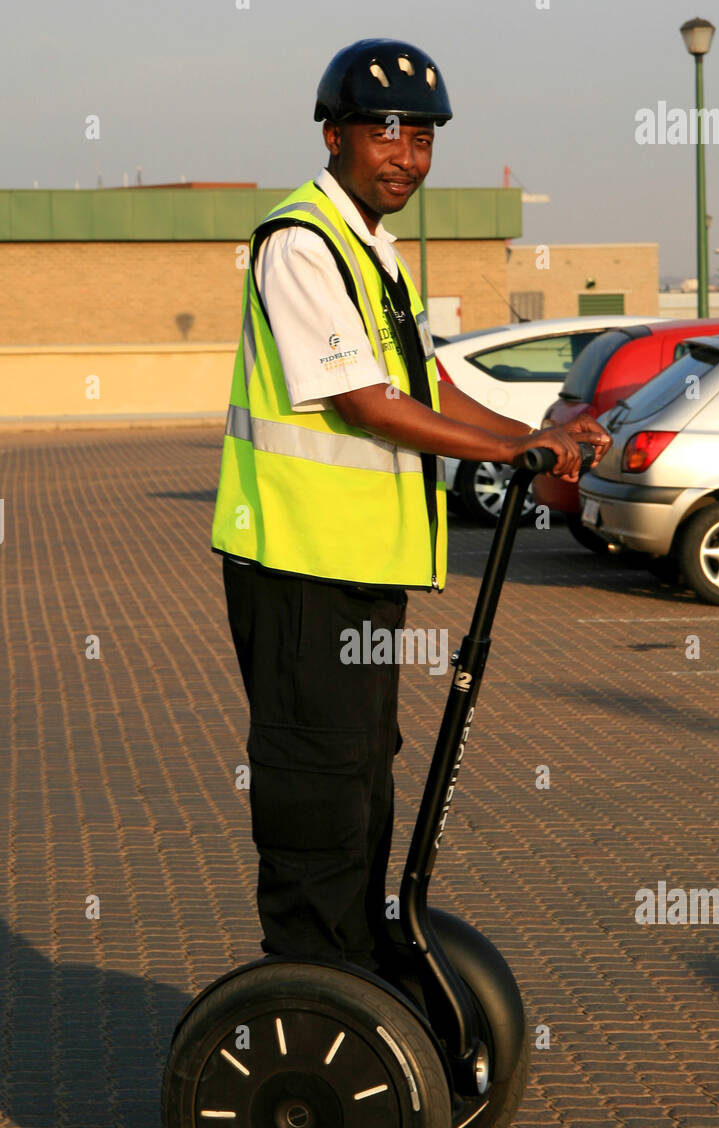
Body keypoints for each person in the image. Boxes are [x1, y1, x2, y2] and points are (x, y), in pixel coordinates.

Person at [211, 38, 610, 987]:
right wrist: (516, 448)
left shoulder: (374, 253)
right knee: (316, 784)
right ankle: (311, 989)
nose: (409, 156)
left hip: (363, 570)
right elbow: (366, 404)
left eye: (424, 137)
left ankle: (354, 964)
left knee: (363, 778)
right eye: (387, 133)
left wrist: (534, 441)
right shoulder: (300, 243)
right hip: (299, 568)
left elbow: (423, 382)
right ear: (335, 134)